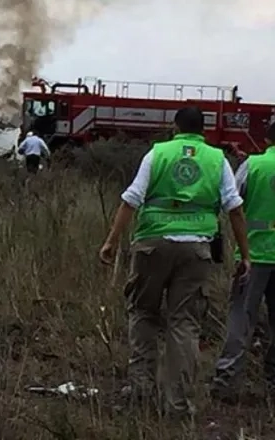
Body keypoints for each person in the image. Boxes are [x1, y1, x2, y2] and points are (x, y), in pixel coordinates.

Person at [98, 106, 250, 420]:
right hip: (196, 249)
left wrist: (112, 241)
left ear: (174, 127)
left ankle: (141, 393)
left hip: (152, 245)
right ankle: (177, 405)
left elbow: (132, 199)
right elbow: (234, 208)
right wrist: (244, 254)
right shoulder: (216, 159)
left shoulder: (157, 154)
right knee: (184, 324)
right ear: (203, 130)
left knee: (143, 313)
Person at [211, 122, 275, 403]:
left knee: (241, 317)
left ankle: (226, 382)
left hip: (255, 254)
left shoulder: (255, 165)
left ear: (268, 138)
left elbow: (233, 203)